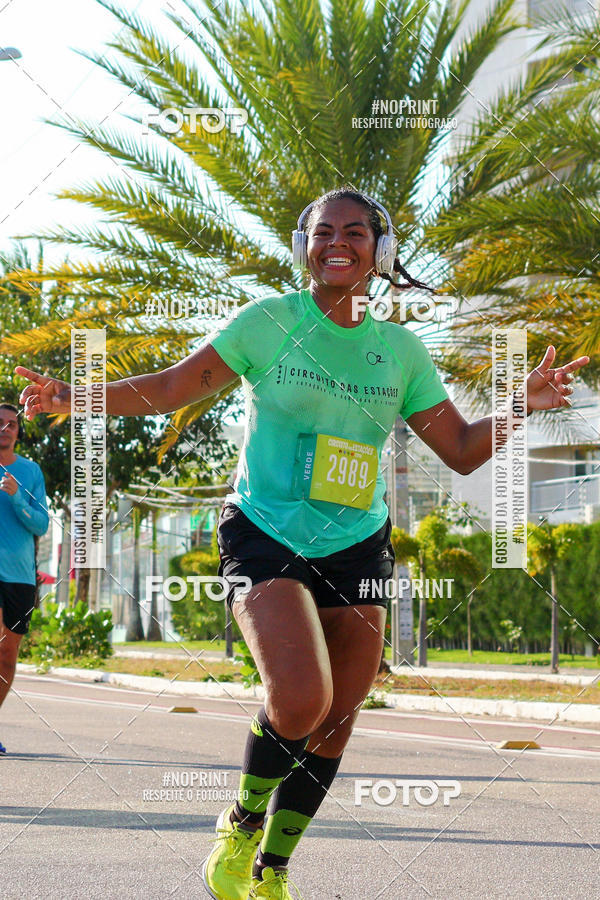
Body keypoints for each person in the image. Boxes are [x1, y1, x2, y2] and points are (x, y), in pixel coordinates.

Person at [15, 188, 589, 898]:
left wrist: (517, 405)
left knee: (337, 721)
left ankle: (272, 871)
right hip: (264, 533)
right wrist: (79, 396)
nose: (338, 242)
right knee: (299, 699)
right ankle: (240, 821)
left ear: (381, 250)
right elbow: (171, 386)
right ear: (304, 245)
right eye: (324, 232)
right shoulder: (267, 323)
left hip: (357, 544)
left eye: (355, 231)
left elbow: (464, 452)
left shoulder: (399, 351)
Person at [0, 402, 49, 754]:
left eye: (11, 424)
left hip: (20, 576)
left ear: (18, 431)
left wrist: (17, 498)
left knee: (6, 655)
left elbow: (41, 524)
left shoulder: (30, 473)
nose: (5, 429)